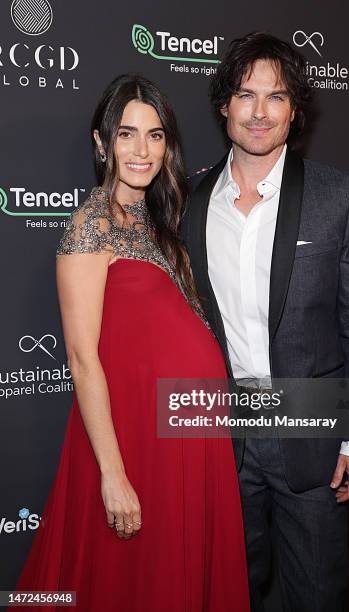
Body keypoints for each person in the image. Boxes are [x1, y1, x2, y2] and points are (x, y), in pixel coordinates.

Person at [11, 74, 250, 612]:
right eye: (126, 134)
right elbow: (82, 358)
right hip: (137, 443)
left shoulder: (165, 223)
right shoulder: (89, 225)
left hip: (192, 436)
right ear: (102, 142)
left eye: (155, 135)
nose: (142, 150)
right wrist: (113, 475)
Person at [181, 32, 349, 612]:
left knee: (317, 595)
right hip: (223, 438)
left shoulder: (337, 196)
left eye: (276, 97)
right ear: (225, 105)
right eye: (246, 95)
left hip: (314, 439)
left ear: (295, 109)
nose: (260, 112)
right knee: (225, 594)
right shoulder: (192, 200)